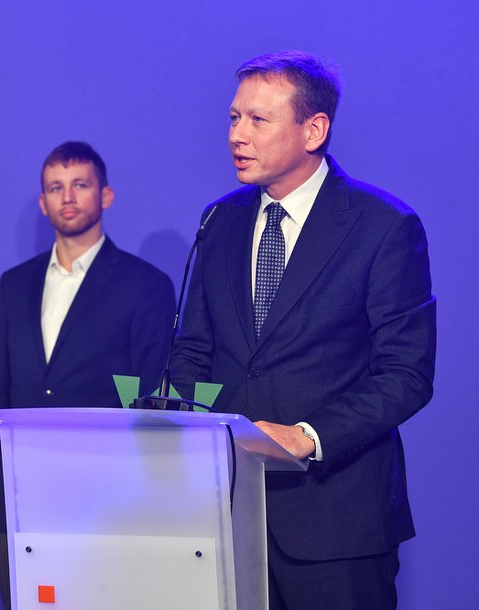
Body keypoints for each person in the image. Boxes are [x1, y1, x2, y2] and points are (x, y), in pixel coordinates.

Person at [171, 51, 436, 608]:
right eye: (233, 118)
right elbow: (194, 352)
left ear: (314, 129)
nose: (237, 136)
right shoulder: (218, 221)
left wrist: (308, 435)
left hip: (337, 526)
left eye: (257, 120)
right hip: (228, 518)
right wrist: (181, 438)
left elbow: (406, 375)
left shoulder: (384, 226)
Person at [0, 141, 176, 608]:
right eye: (55, 188)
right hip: (19, 493)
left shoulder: (145, 285)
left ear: (105, 196)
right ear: (43, 204)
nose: (68, 197)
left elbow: (152, 403)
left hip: (105, 497)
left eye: (80, 185)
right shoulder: (15, 283)